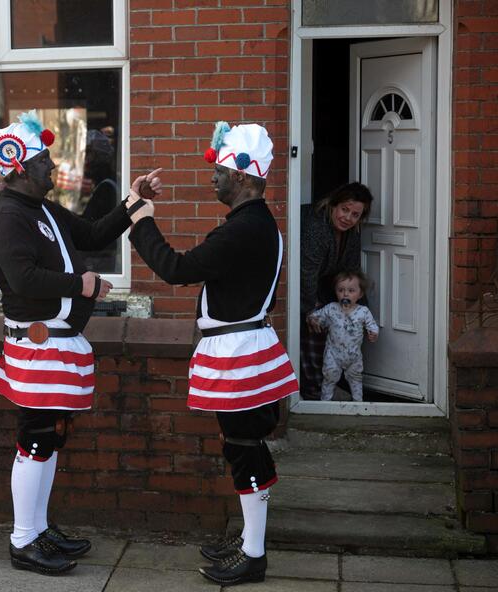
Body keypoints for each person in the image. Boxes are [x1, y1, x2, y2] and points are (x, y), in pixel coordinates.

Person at [0, 110, 161, 575]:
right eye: (43, 159)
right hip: (37, 346)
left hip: (56, 346)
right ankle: (23, 539)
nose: (51, 166)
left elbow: (93, 232)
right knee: (35, 441)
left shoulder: (41, 209)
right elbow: (22, 278)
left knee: (48, 440)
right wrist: (79, 285)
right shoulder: (7, 216)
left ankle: (38, 528)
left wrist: (131, 201)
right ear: (18, 167)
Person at [126, 121, 299, 586]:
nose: (213, 177)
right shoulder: (256, 225)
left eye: (220, 170)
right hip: (244, 347)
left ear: (243, 176)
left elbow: (175, 269)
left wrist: (140, 218)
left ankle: (254, 555)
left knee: (245, 450)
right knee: (242, 446)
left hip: (240, 352)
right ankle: (249, 542)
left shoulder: (243, 231)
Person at [300, 183, 373, 400]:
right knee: (316, 326)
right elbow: (307, 273)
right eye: (344, 209)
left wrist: (360, 309)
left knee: (345, 322)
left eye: (355, 214)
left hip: (323, 283)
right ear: (333, 205)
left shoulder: (352, 233)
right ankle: (312, 388)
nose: (348, 218)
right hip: (300, 281)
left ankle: (332, 383)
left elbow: (350, 272)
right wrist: (309, 310)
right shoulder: (317, 227)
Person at [307, 270, 378, 402]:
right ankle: (325, 404)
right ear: (336, 292)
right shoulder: (331, 308)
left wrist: (373, 333)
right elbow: (316, 316)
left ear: (360, 294)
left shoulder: (363, 311)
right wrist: (313, 319)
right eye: (341, 290)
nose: (345, 294)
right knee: (329, 378)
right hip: (333, 353)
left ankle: (358, 404)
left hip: (354, 355)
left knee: (355, 379)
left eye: (351, 291)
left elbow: (372, 324)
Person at [79, 130, 120, 272]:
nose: (85, 162)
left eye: (88, 156)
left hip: (102, 261)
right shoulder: (103, 187)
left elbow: (92, 230)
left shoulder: (106, 189)